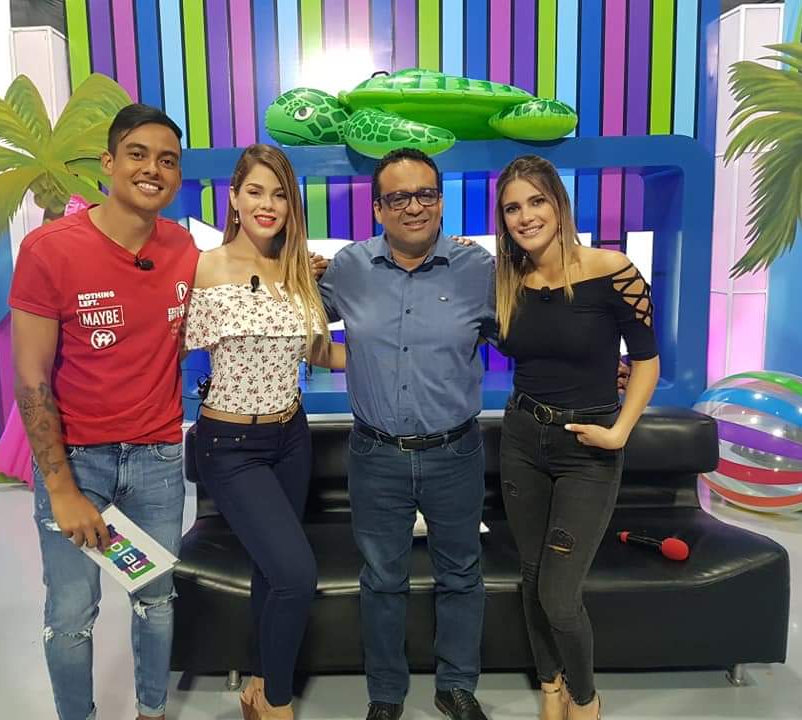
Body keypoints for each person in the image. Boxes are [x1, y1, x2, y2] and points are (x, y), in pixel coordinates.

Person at [9, 104, 197, 720]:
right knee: (71, 614)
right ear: (108, 162)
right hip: (77, 462)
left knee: (156, 599)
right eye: (138, 154)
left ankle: (151, 711)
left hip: (158, 460)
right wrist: (62, 490)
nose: (152, 169)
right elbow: (31, 379)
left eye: (167, 160)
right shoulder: (49, 250)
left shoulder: (183, 248)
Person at [319, 147, 495, 720]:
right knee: (382, 579)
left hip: (456, 452)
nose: (413, 207)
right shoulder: (349, 268)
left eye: (425, 194)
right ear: (377, 208)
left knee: (462, 574)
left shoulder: (479, 270)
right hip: (375, 454)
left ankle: (456, 685)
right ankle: (386, 694)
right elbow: (291, 316)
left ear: (441, 201)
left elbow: (534, 328)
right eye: (398, 197)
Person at [493, 155, 659, 720]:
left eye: (536, 201)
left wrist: (620, 432)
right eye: (512, 208)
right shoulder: (506, 282)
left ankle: (585, 700)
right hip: (521, 438)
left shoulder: (614, 270)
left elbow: (646, 361)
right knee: (532, 575)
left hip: (587, 448)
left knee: (559, 595)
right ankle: (550, 686)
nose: (526, 216)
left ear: (559, 204)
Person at [184, 143, 345, 720]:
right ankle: (279, 705)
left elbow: (318, 351)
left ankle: (258, 683)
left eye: (279, 194)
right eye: (255, 191)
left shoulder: (299, 270)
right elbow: (162, 348)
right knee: (297, 575)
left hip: (291, 437)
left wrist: (399, 354)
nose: (267, 204)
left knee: (270, 570)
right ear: (233, 198)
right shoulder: (203, 267)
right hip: (230, 445)